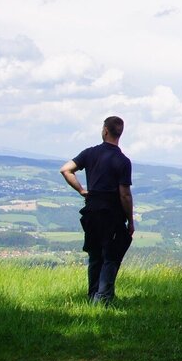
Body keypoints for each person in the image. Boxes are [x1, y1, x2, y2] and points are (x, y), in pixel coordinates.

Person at [60, 116, 135, 305]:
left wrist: (82, 191)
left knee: (95, 255)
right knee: (111, 256)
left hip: (92, 211)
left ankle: (93, 295)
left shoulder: (90, 153)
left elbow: (66, 170)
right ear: (120, 133)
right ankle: (103, 299)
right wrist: (130, 221)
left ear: (105, 131)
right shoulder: (123, 161)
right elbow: (124, 194)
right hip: (112, 214)